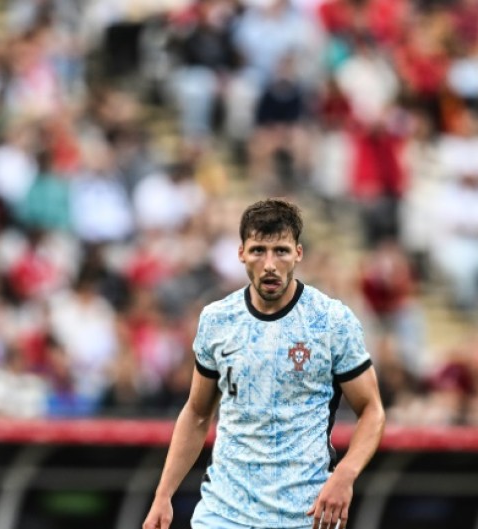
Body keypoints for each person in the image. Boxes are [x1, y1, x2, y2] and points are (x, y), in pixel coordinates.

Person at [143, 199, 385, 529]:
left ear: (298, 254)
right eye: (258, 250)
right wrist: (163, 494)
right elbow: (198, 412)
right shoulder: (218, 320)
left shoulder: (331, 321)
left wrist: (345, 474)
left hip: (305, 514)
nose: (269, 264)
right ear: (241, 253)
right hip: (224, 512)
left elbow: (371, 409)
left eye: (281, 251)